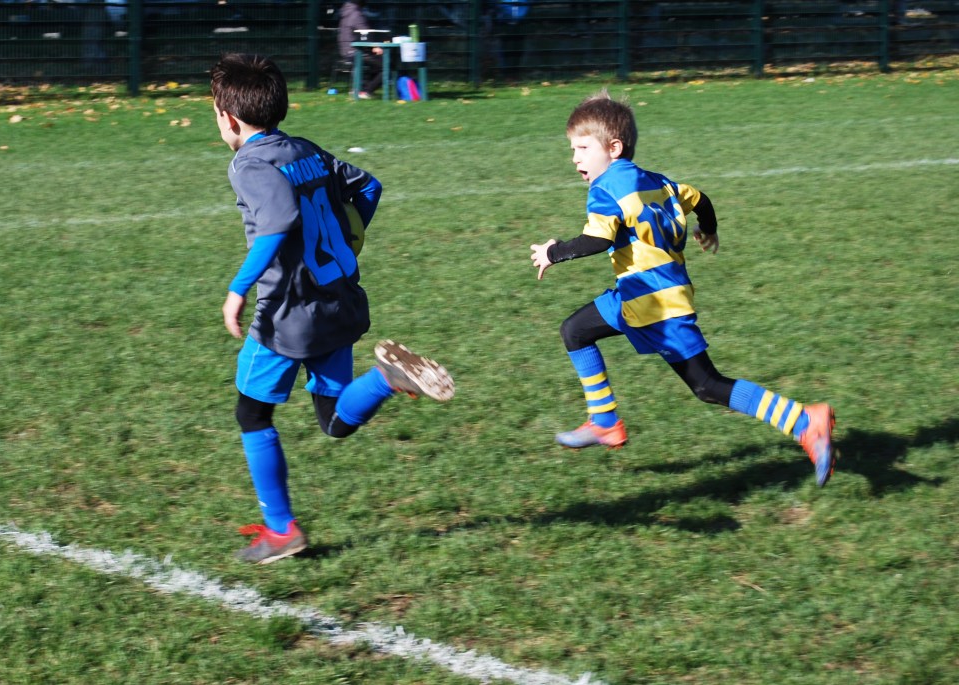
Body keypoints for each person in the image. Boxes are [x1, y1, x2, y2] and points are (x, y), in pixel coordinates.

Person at [209, 54, 455, 564]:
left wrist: (238, 289)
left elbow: (277, 221)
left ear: (229, 118)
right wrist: (348, 238)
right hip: (337, 301)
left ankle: (281, 530)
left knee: (251, 412)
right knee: (334, 419)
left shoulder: (249, 163)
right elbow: (368, 186)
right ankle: (387, 379)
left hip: (287, 313)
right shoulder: (306, 150)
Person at [529, 90, 837, 487]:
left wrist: (554, 252)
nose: (575, 158)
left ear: (614, 148)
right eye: (573, 149)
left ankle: (804, 420)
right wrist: (708, 229)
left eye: (583, 148)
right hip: (638, 294)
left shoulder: (604, 190)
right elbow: (699, 198)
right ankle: (604, 420)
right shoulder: (659, 182)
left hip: (657, 304)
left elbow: (598, 240)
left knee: (707, 385)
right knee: (575, 330)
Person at [337, 0, 383, 99]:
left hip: (345, 51)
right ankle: (366, 91)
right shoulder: (356, 14)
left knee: (376, 64)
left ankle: (359, 88)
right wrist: (374, 47)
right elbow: (365, 34)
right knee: (386, 66)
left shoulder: (345, 13)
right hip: (355, 52)